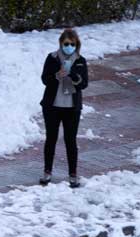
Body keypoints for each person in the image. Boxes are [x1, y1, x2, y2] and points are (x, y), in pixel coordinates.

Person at [40, 28, 89, 188]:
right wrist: (56, 76)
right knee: (51, 139)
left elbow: (84, 84)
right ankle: (47, 172)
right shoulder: (52, 58)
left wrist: (74, 77)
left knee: (70, 141)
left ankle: (73, 174)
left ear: (76, 45)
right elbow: (44, 79)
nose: (69, 47)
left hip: (71, 108)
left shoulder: (80, 60)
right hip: (52, 106)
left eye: (72, 44)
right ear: (61, 43)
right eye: (66, 44)